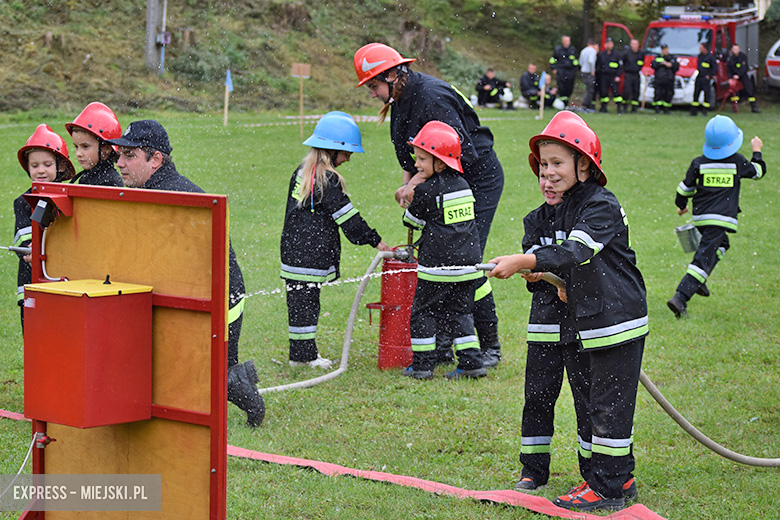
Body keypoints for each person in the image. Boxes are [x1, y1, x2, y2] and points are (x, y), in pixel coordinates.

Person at [488, 111, 647, 512]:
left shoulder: (600, 205)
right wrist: (538, 271)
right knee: (595, 404)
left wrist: (525, 261)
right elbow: (557, 259)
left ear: (584, 165)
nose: (548, 173)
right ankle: (610, 477)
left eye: (557, 163)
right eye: (543, 165)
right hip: (590, 323)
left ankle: (608, 487)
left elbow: (576, 251)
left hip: (616, 321)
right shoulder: (559, 210)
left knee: (607, 406)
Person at [354, 43, 503, 368]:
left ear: (394, 74)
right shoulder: (401, 100)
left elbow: (457, 154)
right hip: (440, 180)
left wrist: (417, 186)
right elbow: (411, 152)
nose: (374, 94)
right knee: (442, 259)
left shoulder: (431, 97)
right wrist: (409, 185)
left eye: (375, 86)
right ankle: (444, 346)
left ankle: (489, 347)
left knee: (464, 261)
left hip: (475, 179)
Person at [108, 119, 265, 428]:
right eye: (118, 156)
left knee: (208, 372)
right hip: (195, 293)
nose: (120, 164)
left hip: (219, 296)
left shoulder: (179, 196)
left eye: (129, 156)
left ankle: (246, 392)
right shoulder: (149, 189)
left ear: (155, 160)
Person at [279, 112, 390, 367]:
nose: (348, 159)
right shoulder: (327, 179)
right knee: (307, 305)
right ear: (332, 150)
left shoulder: (304, 172)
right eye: (347, 153)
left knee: (300, 304)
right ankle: (304, 358)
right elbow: (348, 218)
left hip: (293, 250)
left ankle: (300, 354)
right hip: (309, 254)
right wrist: (376, 241)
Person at [513, 154, 592, 493]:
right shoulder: (535, 220)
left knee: (586, 399)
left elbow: (584, 259)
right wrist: (535, 275)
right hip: (544, 325)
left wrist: (570, 285)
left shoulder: (584, 217)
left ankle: (593, 471)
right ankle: (532, 470)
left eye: (553, 172)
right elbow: (534, 268)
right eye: (541, 174)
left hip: (581, 328)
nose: (546, 181)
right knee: (537, 397)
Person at [401, 121, 485, 380]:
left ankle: (423, 366)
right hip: (468, 265)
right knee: (461, 313)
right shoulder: (463, 185)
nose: (417, 164)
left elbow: (411, 222)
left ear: (440, 162)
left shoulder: (426, 191)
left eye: (423, 159)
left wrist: (410, 195)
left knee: (423, 312)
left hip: (437, 266)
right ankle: (472, 364)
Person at [667, 115, 766, 318]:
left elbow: (683, 189)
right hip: (720, 219)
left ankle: (699, 282)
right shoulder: (738, 161)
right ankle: (681, 296)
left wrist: (682, 206)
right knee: (703, 258)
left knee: (722, 245)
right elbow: (758, 172)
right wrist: (757, 151)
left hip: (702, 218)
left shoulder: (699, 163)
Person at [13, 124, 75, 329]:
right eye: (35, 165)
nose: (40, 170)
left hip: (63, 277)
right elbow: (22, 237)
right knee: (33, 331)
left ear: (61, 166)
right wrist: (31, 247)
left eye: (47, 164)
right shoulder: (22, 202)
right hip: (30, 280)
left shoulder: (72, 197)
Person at [65, 102, 124, 186]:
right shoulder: (88, 177)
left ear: (107, 149)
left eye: (85, 146)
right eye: (76, 147)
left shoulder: (109, 182)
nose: (78, 154)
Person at [727, 43, 759, 113]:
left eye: (736, 49)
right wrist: (731, 77)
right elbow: (729, 69)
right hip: (734, 77)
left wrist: (738, 75)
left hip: (743, 76)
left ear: (739, 49)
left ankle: (754, 107)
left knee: (749, 90)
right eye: (734, 49)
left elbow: (744, 68)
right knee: (734, 92)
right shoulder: (731, 59)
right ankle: (734, 108)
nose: (735, 51)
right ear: (732, 50)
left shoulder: (743, 56)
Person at [549, 35, 578, 107]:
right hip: (561, 70)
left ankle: (566, 103)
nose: (567, 42)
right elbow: (552, 59)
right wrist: (553, 68)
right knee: (561, 87)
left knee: (569, 87)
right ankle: (562, 103)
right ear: (562, 41)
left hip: (570, 72)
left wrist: (575, 70)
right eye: (566, 41)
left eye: (569, 41)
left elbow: (576, 61)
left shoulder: (572, 50)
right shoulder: (558, 50)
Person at [595, 38, 623, 113]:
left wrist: (618, 76)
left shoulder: (617, 55)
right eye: (608, 43)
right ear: (605, 45)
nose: (609, 45)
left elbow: (620, 67)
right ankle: (603, 107)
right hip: (604, 76)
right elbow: (598, 66)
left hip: (613, 76)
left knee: (616, 92)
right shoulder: (601, 54)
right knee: (603, 92)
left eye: (610, 43)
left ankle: (619, 108)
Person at [651, 43, 678, 114]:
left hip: (669, 79)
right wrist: (661, 63)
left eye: (666, 49)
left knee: (668, 94)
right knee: (658, 93)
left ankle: (666, 109)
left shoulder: (672, 58)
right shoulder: (658, 57)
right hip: (659, 79)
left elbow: (676, 67)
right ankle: (657, 108)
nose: (665, 51)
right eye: (664, 49)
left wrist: (670, 65)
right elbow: (653, 65)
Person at [691, 43, 716, 116]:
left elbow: (715, 68)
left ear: (704, 48)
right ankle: (693, 112)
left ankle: (704, 111)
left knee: (706, 95)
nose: (699, 49)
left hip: (706, 78)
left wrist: (709, 75)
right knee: (696, 94)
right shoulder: (700, 56)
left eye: (701, 47)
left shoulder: (710, 57)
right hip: (699, 77)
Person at [621, 39, 645, 113]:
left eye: (636, 44)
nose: (634, 46)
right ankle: (625, 107)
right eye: (633, 44)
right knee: (626, 91)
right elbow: (622, 63)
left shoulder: (641, 54)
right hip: (628, 74)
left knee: (636, 91)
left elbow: (641, 63)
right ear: (630, 45)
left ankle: (634, 108)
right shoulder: (626, 53)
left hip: (636, 74)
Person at [578, 39, 598, 111]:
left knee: (587, 88)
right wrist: (593, 70)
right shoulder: (592, 51)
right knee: (590, 89)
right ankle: (586, 105)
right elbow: (591, 61)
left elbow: (580, 62)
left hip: (583, 71)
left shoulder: (583, 50)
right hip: (589, 72)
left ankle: (585, 105)